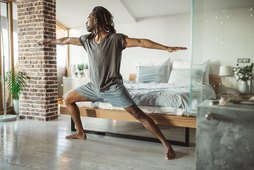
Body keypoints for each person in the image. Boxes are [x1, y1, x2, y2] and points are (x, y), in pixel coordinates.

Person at [39, 6, 187, 160]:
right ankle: (80, 132)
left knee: (139, 115)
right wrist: (48, 41)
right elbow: (67, 40)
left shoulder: (115, 39)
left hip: (112, 88)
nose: (86, 21)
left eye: (89, 17)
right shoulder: (87, 40)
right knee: (68, 98)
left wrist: (166, 48)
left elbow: (141, 42)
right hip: (93, 87)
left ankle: (167, 145)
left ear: (97, 19)